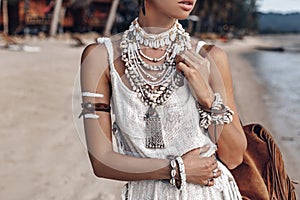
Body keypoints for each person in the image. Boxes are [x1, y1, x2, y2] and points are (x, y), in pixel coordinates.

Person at [79, 0, 247, 199]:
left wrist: (207, 98)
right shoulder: (99, 58)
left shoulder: (210, 57)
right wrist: (176, 169)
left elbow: (234, 156)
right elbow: (101, 161)